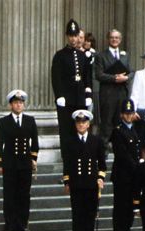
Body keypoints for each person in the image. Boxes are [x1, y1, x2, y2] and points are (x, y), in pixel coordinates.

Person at [61, 109, 107, 231]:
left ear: (88, 124)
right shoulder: (69, 141)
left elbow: (102, 163)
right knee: (77, 213)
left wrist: (100, 178)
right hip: (76, 183)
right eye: (79, 122)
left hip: (91, 183)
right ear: (76, 124)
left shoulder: (96, 141)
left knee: (89, 213)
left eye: (84, 122)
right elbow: (67, 163)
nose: (81, 125)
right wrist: (67, 181)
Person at [0, 90, 39, 231]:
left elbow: (35, 142)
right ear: (10, 105)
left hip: (25, 163)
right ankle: (10, 224)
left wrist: (33, 159)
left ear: (23, 105)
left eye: (20, 103)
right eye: (15, 103)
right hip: (9, 163)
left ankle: (23, 224)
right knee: (9, 195)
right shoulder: (3, 122)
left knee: (24, 195)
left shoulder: (30, 120)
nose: (18, 105)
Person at [51, 19, 93, 157]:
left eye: (75, 36)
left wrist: (88, 95)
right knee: (66, 131)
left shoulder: (83, 56)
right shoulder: (60, 55)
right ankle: (67, 166)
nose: (73, 39)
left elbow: (87, 78)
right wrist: (59, 95)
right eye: (71, 36)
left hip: (80, 99)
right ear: (67, 36)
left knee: (81, 130)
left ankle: (80, 159)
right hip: (66, 100)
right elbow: (56, 78)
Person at [110, 99, 143, 231]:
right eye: (126, 114)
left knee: (130, 208)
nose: (129, 116)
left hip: (132, 176)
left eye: (131, 113)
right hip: (122, 175)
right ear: (122, 114)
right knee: (121, 208)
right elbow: (123, 155)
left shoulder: (134, 130)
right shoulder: (118, 131)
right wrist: (137, 167)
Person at [95, 29, 131, 143]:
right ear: (108, 39)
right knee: (106, 123)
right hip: (108, 94)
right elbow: (99, 75)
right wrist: (115, 78)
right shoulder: (101, 55)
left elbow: (131, 71)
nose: (114, 40)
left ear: (120, 40)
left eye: (117, 38)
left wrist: (127, 77)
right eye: (112, 37)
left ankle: (119, 150)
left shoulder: (124, 55)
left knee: (120, 122)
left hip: (122, 93)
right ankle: (103, 152)